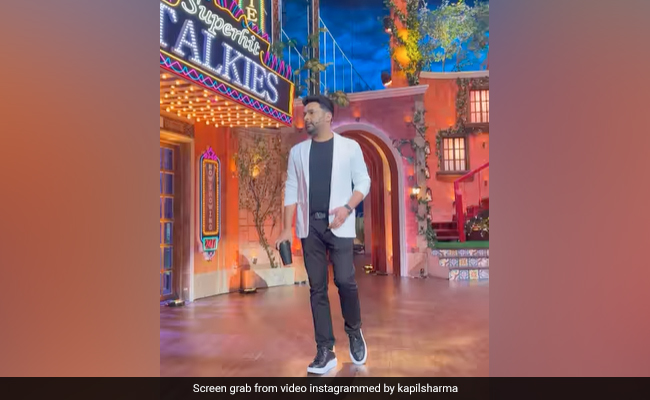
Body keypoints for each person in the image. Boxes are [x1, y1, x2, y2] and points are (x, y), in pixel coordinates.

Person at [275, 94, 371, 375]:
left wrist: (348, 208)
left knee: (345, 281)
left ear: (328, 117)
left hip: (339, 224)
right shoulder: (297, 152)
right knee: (317, 288)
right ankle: (325, 350)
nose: (306, 118)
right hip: (310, 228)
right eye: (305, 113)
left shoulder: (350, 148)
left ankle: (354, 331)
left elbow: (363, 181)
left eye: (312, 113)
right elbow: (291, 190)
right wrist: (286, 228)